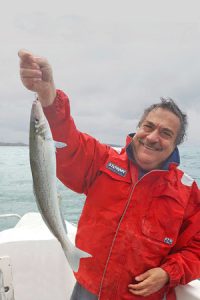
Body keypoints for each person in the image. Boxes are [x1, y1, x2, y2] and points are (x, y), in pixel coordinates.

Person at [18, 49, 200, 300]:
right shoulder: (103, 160)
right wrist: (48, 97)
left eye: (166, 133)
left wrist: (169, 273)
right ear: (137, 128)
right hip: (88, 290)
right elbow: (68, 146)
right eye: (148, 126)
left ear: (175, 144)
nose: (153, 137)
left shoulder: (188, 193)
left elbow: (197, 248)